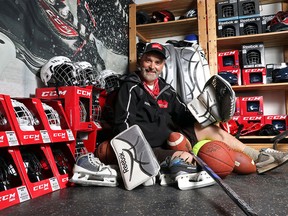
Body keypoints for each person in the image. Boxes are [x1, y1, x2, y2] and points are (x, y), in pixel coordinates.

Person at [113, 42, 288, 177]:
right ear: (141, 61)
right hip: (151, 146)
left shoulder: (167, 90)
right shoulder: (130, 87)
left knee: (211, 129)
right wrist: (138, 156)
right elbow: (123, 124)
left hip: (173, 135)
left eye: (157, 62)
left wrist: (206, 111)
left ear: (163, 65)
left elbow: (183, 115)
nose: (152, 66)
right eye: (148, 60)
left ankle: (259, 157)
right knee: (184, 157)